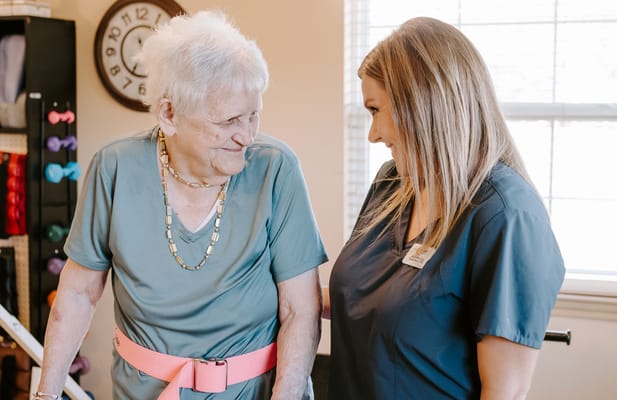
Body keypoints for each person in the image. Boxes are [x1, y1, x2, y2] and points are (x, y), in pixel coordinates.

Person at [35, 11, 327, 400]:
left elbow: (300, 310)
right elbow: (76, 294)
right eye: (228, 121)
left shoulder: (276, 168)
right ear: (169, 113)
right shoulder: (116, 167)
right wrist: (46, 395)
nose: (246, 136)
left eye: (254, 115)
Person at [327, 17, 566, 399]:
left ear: (422, 105)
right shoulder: (392, 183)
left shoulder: (506, 215)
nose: (373, 135)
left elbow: (506, 392)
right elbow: (360, 296)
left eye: (375, 110)